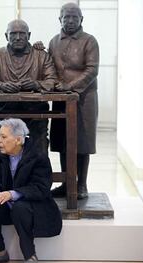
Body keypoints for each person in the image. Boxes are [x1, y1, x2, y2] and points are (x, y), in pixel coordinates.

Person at [0, 118, 62, 263]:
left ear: (18, 140)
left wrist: (13, 194)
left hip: (32, 204)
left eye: (3, 137)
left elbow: (41, 187)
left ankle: (29, 253)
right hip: (6, 202)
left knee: (20, 208)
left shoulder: (38, 156)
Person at [0, 19, 57, 154]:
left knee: (39, 148)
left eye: (22, 33)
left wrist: (36, 84)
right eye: (13, 34)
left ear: (29, 35)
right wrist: (1, 86)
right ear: (6, 36)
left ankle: (38, 174)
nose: (18, 37)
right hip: (5, 111)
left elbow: (52, 81)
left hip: (36, 112)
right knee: (4, 148)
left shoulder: (41, 55)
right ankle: (4, 174)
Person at [48, 3, 99, 199]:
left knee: (82, 142)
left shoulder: (89, 41)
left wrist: (70, 86)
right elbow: (48, 67)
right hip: (60, 99)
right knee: (62, 141)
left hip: (84, 98)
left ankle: (82, 184)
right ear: (59, 19)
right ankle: (67, 183)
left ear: (81, 20)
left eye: (74, 17)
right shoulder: (54, 41)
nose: (70, 21)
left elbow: (92, 70)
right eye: (66, 17)